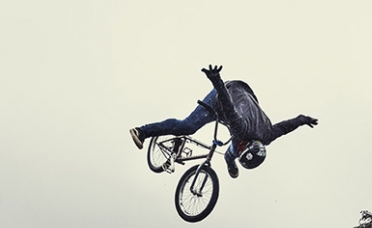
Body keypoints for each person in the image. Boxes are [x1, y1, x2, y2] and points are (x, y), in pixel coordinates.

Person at [130, 65, 318, 179]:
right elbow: (227, 105)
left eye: (241, 149)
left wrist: (302, 120)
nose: (240, 146)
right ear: (250, 144)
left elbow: (284, 127)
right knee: (188, 126)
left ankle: (229, 160)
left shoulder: (267, 135)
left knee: (232, 151)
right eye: (243, 147)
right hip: (222, 96)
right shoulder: (241, 128)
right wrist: (217, 81)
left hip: (242, 99)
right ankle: (142, 131)